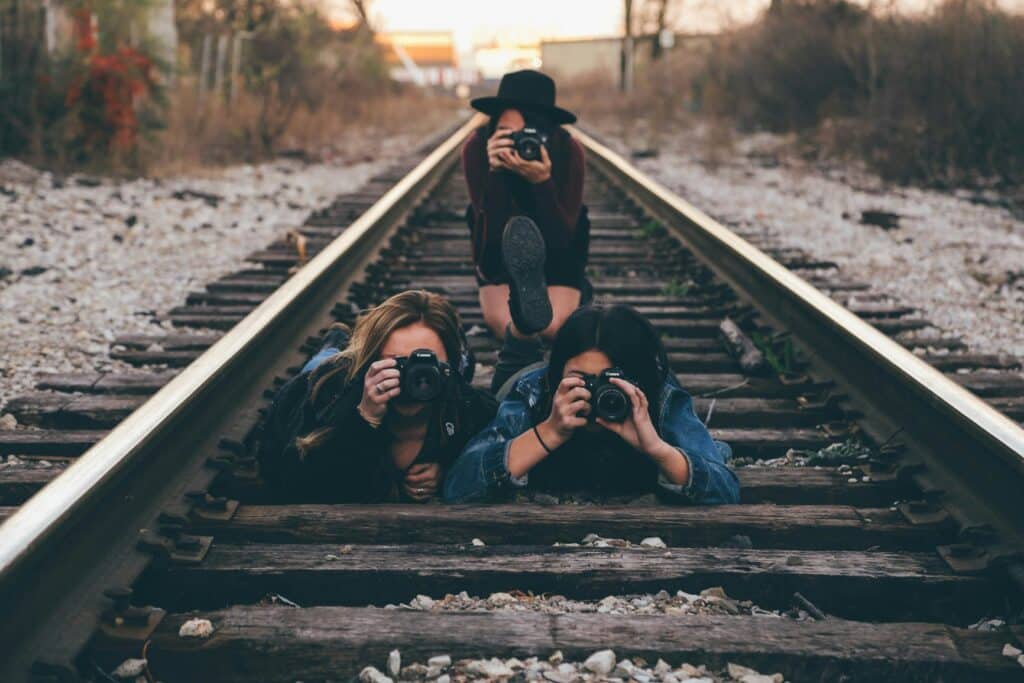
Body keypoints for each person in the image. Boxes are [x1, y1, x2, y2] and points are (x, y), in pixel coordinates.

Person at [443, 305, 740, 504]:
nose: (598, 394)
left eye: (612, 382)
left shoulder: (661, 397)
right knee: (503, 389)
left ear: (639, 380)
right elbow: (459, 485)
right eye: (580, 380)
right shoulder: (536, 389)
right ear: (556, 374)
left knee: (714, 451)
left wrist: (657, 448)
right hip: (521, 379)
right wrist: (549, 431)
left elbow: (725, 489)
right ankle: (521, 336)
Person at [258, 290, 497, 503]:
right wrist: (364, 418)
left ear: (449, 366)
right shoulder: (329, 391)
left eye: (426, 362)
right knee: (322, 362)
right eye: (397, 362)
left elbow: (501, 452)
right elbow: (290, 481)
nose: (415, 378)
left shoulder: (462, 399)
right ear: (370, 364)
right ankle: (334, 342)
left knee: (465, 365)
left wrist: (449, 470)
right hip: (330, 372)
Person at [462, 69, 591, 392]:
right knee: (508, 326)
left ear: (545, 131)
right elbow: (488, 250)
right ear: (493, 128)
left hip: (558, 253)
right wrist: (495, 175)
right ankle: (527, 288)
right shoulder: (477, 148)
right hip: (498, 255)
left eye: (527, 133)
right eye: (506, 131)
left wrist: (542, 183)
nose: (518, 142)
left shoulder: (568, 151)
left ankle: (569, 290)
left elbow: (563, 241)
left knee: (551, 328)